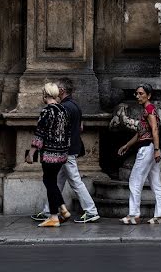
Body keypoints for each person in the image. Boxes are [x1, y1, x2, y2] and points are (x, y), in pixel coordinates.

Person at [31, 78, 100, 224]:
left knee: (74, 180)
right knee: (57, 181)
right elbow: (80, 127)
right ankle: (49, 211)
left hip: (64, 150)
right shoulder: (74, 105)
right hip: (69, 148)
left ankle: (91, 211)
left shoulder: (62, 108)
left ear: (61, 91)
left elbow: (49, 131)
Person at [117, 83, 161, 224]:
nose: (137, 96)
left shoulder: (149, 109)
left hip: (148, 149)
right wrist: (127, 145)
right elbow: (140, 133)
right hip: (152, 148)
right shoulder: (147, 110)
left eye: (141, 93)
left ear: (149, 95)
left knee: (135, 180)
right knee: (155, 181)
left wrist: (156, 150)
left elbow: (155, 130)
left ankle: (133, 214)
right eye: (137, 93)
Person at [26, 82, 71, 228]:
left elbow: (40, 133)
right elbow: (67, 133)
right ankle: (62, 208)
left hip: (49, 154)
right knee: (51, 181)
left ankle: (54, 216)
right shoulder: (63, 110)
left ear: (45, 94)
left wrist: (31, 153)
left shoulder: (47, 111)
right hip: (61, 153)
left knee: (49, 182)